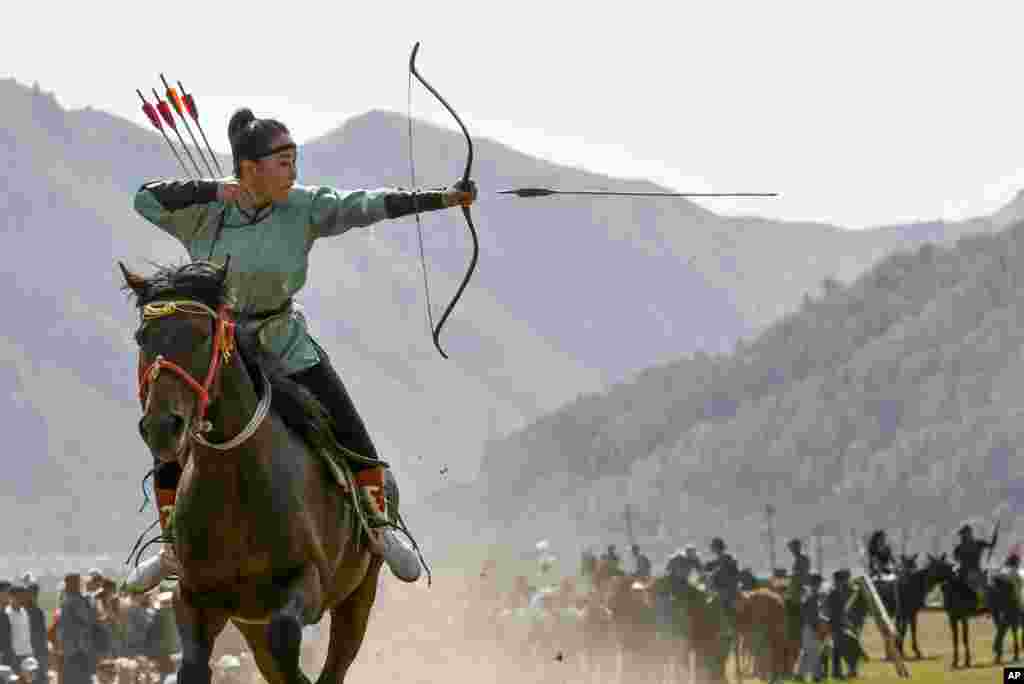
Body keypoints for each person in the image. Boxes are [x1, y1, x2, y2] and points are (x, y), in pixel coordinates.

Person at [127, 107, 477, 592]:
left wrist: (441, 198)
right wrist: (212, 191)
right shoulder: (205, 214)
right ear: (248, 169)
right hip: (225, 353)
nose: (294, 171)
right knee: (171, 429)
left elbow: (366, 204)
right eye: (283, 161)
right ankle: (170, 546)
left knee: (351, 432)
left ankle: (379, 528)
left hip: (283, 341)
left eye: (295, 160)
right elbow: (143, 198)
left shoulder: (304, 206)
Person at [58, 573, 97, 684]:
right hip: (78, 648)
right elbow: (86, 619)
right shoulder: (76, 600)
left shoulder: (66, 599)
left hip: (71, 647)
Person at [826, 569, 859, 680]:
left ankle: (838, 672)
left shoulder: (837, 591)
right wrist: (845, 622)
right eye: (845, 579)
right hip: (837, 624)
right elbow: (838, 610)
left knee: (838, 649)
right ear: (840, 580)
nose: (847, 581)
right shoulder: (835, 592)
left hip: (838, 623)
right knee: (841, 649)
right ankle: (840, 672)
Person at [797, 574, 825, 683]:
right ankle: (816, 676)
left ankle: (800, 675)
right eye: (819, 583)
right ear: (816, 583)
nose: (820, 585)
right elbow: (811, 614)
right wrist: (817, 627)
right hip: (811, 627)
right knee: (814, 653)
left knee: (807, 653)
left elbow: (810, 612)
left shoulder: (809, 594)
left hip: (807, 626)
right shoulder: (812, 595)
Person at [954, 524, 996, 595]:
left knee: (986, 588)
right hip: (964, 572)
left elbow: (991, 545)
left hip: (975, 572)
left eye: (965, 533)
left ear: (970, 533)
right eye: (963, 534)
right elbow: (956, 559)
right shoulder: (959, 548)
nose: (964, 536)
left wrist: (994, 538)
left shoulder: (978, 543)